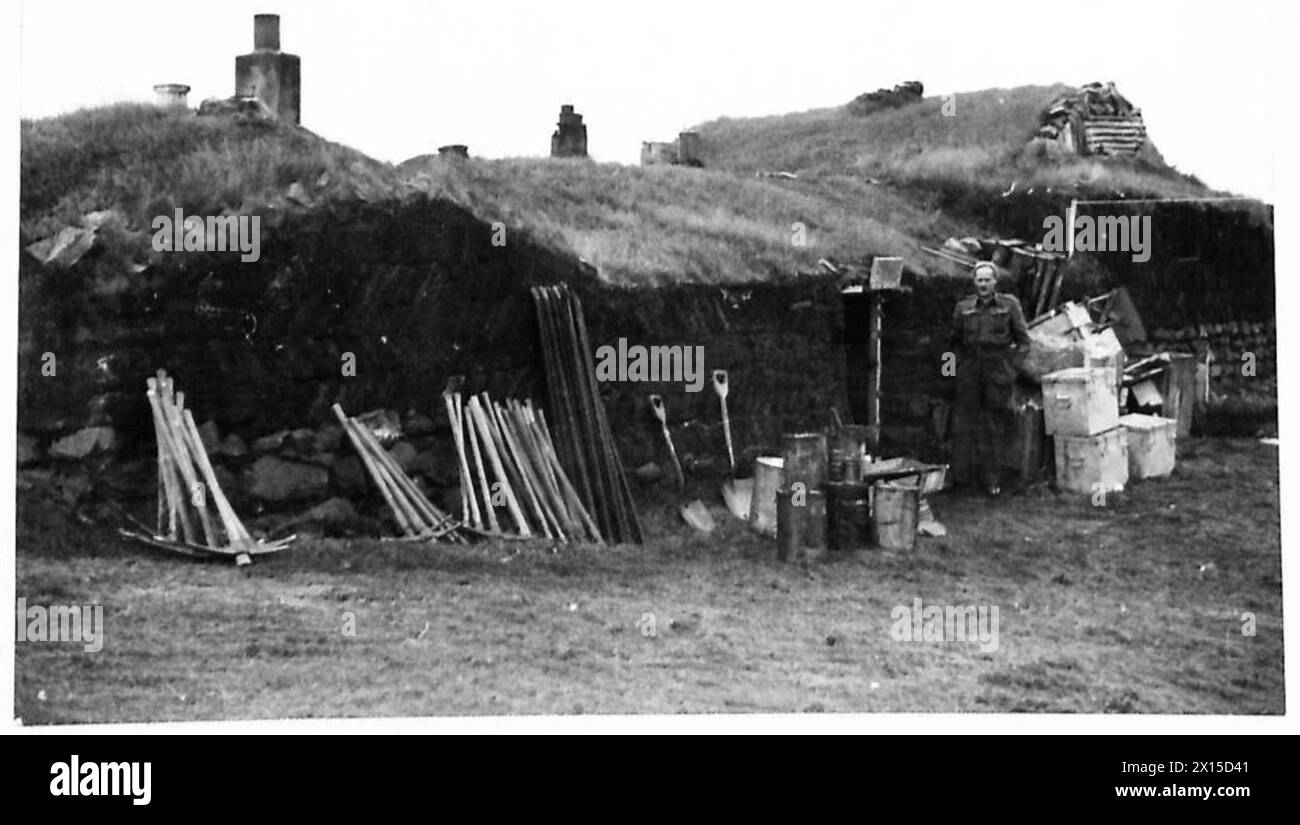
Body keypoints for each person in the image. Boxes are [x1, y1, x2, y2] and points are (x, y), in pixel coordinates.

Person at [949, 261, 1030, 495]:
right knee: (963, 424)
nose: (983, 284)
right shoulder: (963, 307)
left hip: (997, 371)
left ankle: (992, 481)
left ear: (995, 282)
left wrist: (1011, 368)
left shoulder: (1009, 305)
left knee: (993, 426)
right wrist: (952, 372)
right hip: (970, 370)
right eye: (979, 280)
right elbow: (952, 342)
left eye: (987, 280)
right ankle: (961, 478)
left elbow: (1024, 342)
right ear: (974, 282)